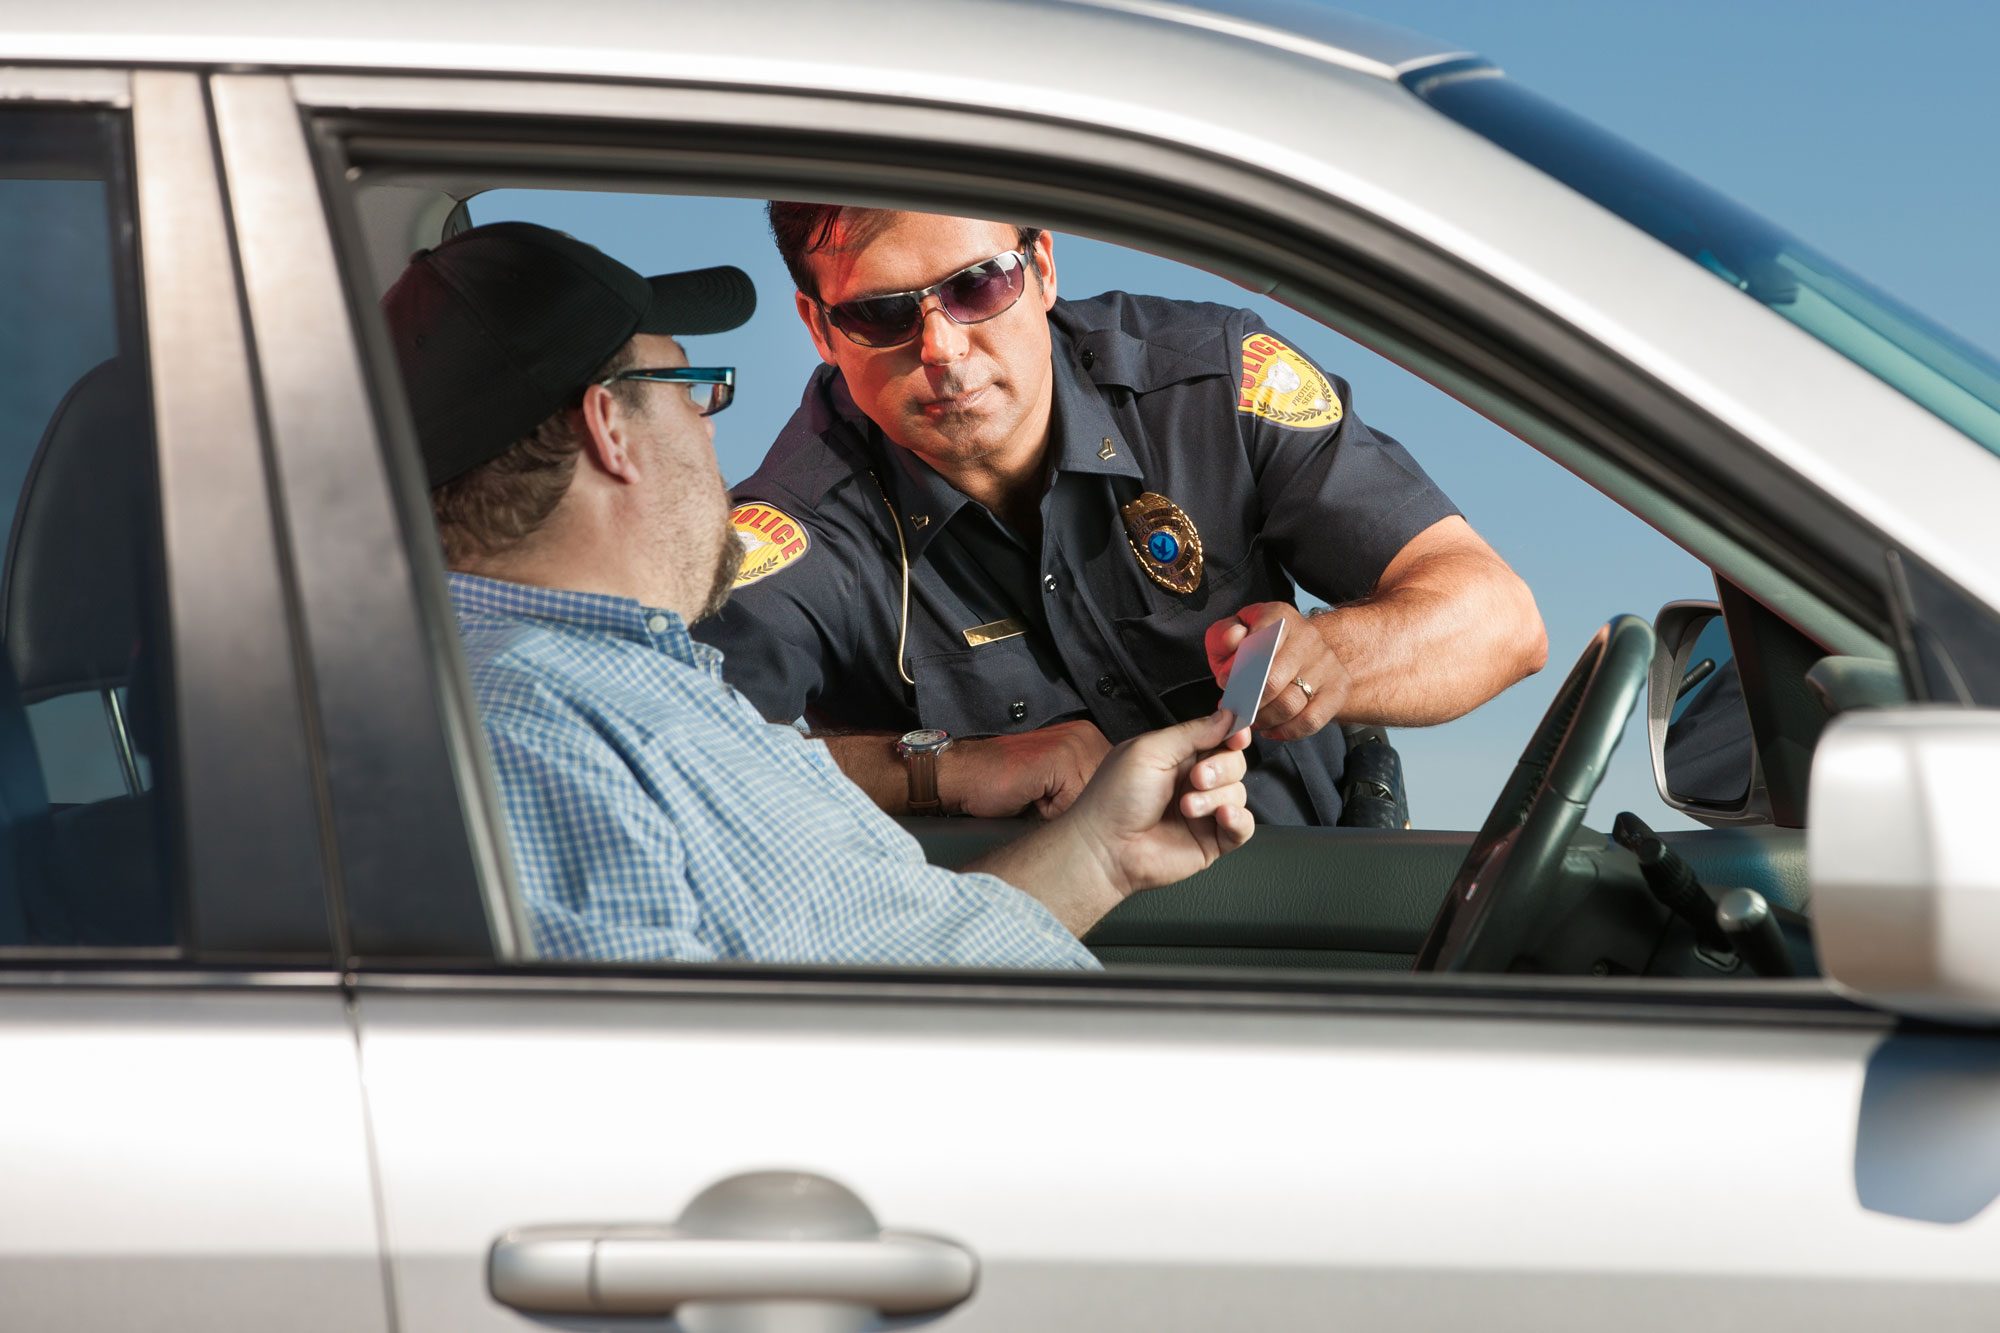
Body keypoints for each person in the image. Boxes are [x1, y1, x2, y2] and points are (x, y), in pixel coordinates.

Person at [380, 221, 1254, 969]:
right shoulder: (525, 739)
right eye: (692, 387)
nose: (711, 427)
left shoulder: (634, 694)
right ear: (610, 427)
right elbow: (657, 1107)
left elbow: (887, 962)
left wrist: (1103, 854)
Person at [694, 206, 1549, 825]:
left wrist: (1334, 661)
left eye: (977, 286)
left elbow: (1502, 621)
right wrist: (945, 771)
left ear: (1043, 266)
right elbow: (664, 756)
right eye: (881, 312)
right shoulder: (792, 530)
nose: (942, 350)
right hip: (1026, 982)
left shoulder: (1212, 385)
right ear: (817, 326)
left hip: (1312, 911)